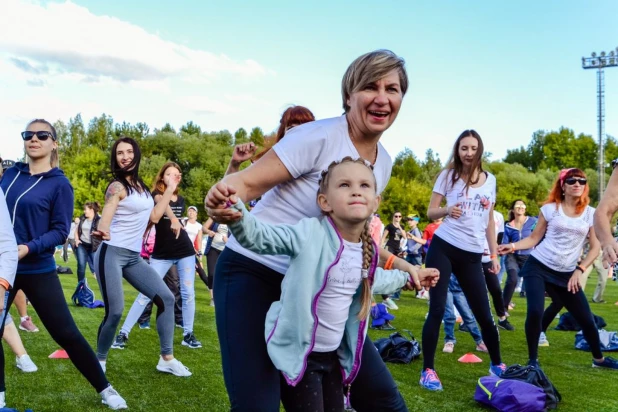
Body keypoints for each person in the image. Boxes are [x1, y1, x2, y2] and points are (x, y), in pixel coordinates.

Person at [205, 50, 437, 411]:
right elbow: (246, 184)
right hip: (252, 274)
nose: (382, 98)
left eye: (392, 89)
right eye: (370, 87)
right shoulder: (317, 136)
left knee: (385, 402)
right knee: (257, 406)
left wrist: (404, 268)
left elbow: (353, 238)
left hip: (315, 291)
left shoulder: (384, 164)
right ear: (349, 95)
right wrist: (224, 198)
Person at [225, 158, 434, 411]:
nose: (356, 190)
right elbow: (259, 237)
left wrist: (410, 276)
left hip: (335, 357)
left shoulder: (365, 251)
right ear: (325, 202)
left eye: (365, 185)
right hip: (301, 359)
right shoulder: (309, 233)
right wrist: (235, 210)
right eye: (344, 184)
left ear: (376, 202)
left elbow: (374, 280)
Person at [0, 119, 126, 409]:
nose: (34, 139)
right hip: (2, 267)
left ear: (53, 143)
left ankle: (105, 389)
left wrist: (28, 248)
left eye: (42, 134)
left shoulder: (59, 184)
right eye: (28, 134)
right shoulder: (9, 176)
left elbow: (59, 231)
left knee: (65, 332)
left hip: (36, 267)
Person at [499, 168, 618, 370]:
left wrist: (579, 270)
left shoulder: (591, 214)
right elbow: (534, 238)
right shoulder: (550, 209)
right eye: (572, 181)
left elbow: (596, 247)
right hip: (538, 266)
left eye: (582, 181)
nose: (577, 184)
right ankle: (533, 361)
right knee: (535, 311)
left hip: (567, 273)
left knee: (587, 320)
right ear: (563, 186)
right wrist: (511, 246)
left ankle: (598, 360)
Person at [94, 137, 191, 377]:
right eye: (119, 153)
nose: (125, 156)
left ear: (136, 155)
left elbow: (155, 217)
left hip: (133, 257)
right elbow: (108, 211)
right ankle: (99, 361)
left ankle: (166, 359)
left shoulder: (141, 187)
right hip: (111, 252)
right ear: (115, 158)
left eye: (129, 152)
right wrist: (104, 226)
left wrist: (169, 188)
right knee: (115, 310)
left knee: (166, 299)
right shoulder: (117, 186)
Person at [420, 129, 505, 391]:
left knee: (484, 313)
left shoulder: (490, 180)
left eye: (473, 148)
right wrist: (447, 209)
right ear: (457, 150)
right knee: (436, 309)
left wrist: (493, 255)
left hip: (472, 255)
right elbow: (430, 211)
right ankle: (428, 370)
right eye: (463, 148)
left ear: (480, 150)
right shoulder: (448, 175)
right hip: (443, 248)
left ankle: (497, 365)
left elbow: (489, 220)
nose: (468, 153)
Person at [225, 106, 316, 176]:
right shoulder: (266, 161)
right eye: (291, 128)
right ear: (283, 132)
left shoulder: (321, 164)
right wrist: (234, 164)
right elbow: (229, 193)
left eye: (303, 129)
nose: (296, 134)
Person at [502, 200, 537, 310]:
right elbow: (504, 243)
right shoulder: (508, 226)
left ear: (525, 209)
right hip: (513, 256)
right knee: (512, 279)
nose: (520, 207)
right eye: (518, 205)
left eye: (523, 205)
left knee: (533, 283)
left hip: (529, 256)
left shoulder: (533, 221)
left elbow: (540, 236)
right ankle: (503, 309)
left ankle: (537, 309)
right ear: (513, 209)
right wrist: (505, 248)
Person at [442, 275, 488, 354]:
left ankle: (479, 342)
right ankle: (449, 341)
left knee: (468, 316)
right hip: (445, 287)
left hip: (459, 288)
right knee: (449, 315)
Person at [380, 211, 405, 309]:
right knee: (387, 268)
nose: (398, 218)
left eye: (399, 216)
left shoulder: (401, 226)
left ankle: (391, 293)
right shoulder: (389, 226)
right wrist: (381, 246)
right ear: (393, 217)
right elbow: (384, 237)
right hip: (389, 247)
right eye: (396, 216)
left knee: (397, 270)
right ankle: (386, 296)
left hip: (397, 248)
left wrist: (399, 227)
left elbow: (405, 236)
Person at [203, 217, 228, 307]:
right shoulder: (215, 215)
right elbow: (204, 227)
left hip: (226, 250)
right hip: (213, 248)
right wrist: (209, 232)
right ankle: (213, 298)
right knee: (211, 274)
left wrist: (228, 241)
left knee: (223, 275)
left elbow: (238, 236)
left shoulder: (233, 217)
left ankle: (221, 297)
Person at [75, 202, 101, 282]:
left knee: (97, 266)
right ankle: (80, 284)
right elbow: (76, 231)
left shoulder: (99, 220)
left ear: (91, 210)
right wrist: (77, 240)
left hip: (93, 247)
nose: (84, 211)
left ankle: (102, 282)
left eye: (85, 209)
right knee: (81, 265)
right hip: (82, 245)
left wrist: (98, 233)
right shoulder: (82, 219)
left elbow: (104, 233)